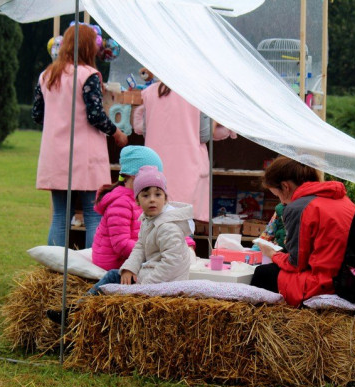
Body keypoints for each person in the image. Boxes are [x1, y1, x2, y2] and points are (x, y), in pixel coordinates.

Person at [46, 165, 195, 324]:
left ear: (165, 199)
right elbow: (139, 248)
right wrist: (130, 268)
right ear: (137, 200)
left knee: (112, 277)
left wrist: (144, 285)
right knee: (115, 275)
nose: (152, 199)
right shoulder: (148, 221)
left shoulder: (167, 228)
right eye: (145, 195)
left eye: (157, 194)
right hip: (153, 275)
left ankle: (76, 313)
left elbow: (172, 263)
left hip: (166, 282)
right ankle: (77, 312)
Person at [32, 24, 128, 249]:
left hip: (55, 154)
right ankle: (90, 265)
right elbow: (95, 115)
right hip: (86, 156)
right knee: (92, 214)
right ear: (87, 47)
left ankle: (54, 267)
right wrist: (117, 132)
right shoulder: (88, 75)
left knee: (60, 215)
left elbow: (37, 115)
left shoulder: (46, 75)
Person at [250, 156, 355, 307]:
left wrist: (272, 254)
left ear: (285, 186)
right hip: (349, 278)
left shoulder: (298, 207)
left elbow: (295, 264)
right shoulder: (343, 200)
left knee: (262, 273)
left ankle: (258, 320)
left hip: (324, 283)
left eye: (278, 195)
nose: (281, 202)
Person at [133, 81, 223, 222]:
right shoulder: (198, 91)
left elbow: (145, 130)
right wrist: (216, 120)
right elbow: (204, 135)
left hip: (155, 168)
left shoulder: (150, 92)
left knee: (155, 224)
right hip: (187, 167)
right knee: (183, 224)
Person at [91, 145, 163, 271]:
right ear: (135, 177)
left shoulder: (146, 199)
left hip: (136, 256)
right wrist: (152, 253)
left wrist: (185, 243)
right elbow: (121, 244)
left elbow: (166, 222)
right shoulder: (120, 204)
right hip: (114, 263)